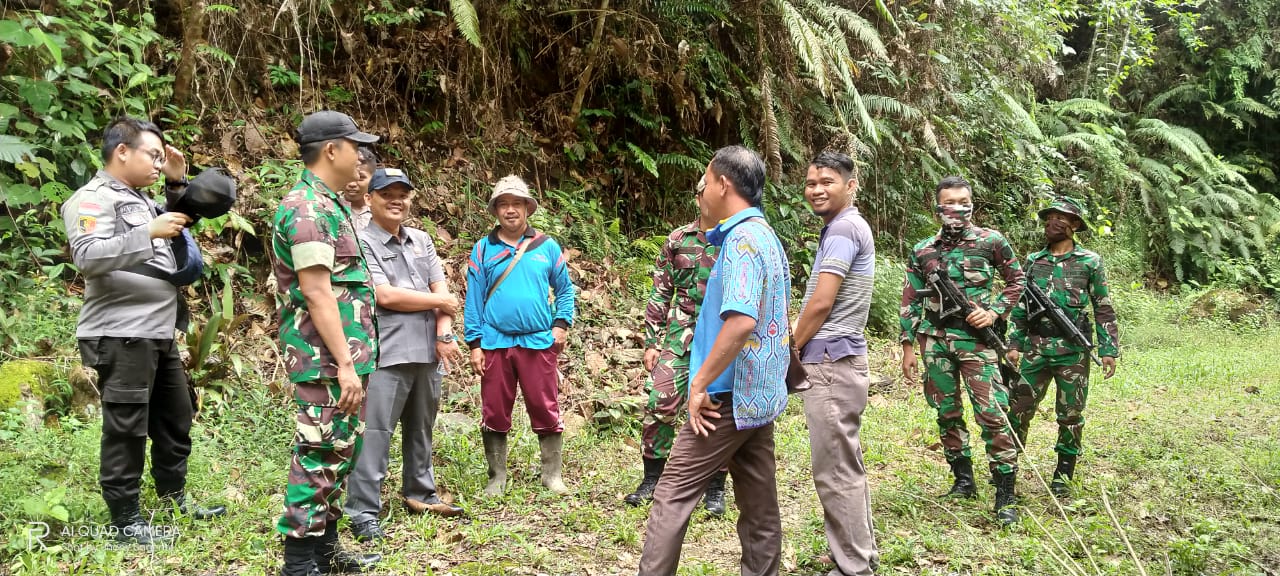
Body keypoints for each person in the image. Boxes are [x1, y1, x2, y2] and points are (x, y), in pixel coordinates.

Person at [61, 116, 226, 545]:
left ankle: (174, 499)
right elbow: (88, 256)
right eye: (153, 156)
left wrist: (176, 185)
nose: (158, 163)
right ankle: (126, 519)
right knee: (127, 425)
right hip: (120, 332)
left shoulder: (141, 199)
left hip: (157, 332)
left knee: (175, 417)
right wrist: (145, 232)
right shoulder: (94, 198)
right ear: (121, 151)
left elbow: (177, 238)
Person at [638, 146, 791, 576]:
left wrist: (700, 383)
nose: (700, 192)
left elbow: (741, 321)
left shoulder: (742, 241)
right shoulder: (766, 236)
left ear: (724, 184)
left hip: (723, 397)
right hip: (760, 395)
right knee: (759, 503)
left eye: (704, 183)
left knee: (672, 495)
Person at [270, 110, 382, 575]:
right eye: (355, 145)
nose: (361, 156)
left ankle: (325, 549)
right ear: (331, 150)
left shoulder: (330, 203)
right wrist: (345, 364)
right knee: (318, 454)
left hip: (343, 358)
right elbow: (317, 292)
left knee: (341, 452)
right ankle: (298, 563)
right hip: (326, 361)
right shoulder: (307, 209)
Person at [345, 168, 465, 543]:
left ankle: (420, 493)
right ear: (370, 199)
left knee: (421, 430)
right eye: (386, 193)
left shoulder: (422, 240)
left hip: (429, 351)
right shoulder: (360, 242)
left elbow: (443, 291)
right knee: (375, 434)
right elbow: (386, 295)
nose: (396, 200)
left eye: (403, 193)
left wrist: (444, 331)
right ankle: (363, 511)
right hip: (387, 352)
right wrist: (441, 301)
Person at [899, 175, 1026, 526]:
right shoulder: (924, 249)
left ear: (973, 203)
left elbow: (1018, 280)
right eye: (949, 203)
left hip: (978, 342)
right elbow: (910, 296)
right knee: (946, 412)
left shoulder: (992, 241)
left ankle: (1005, 494)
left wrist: (995, 310)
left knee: (992, 413)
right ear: (937, 207)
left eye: (962, 202)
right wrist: (908, 344)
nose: (956, 208)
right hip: (936, 341)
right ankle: (963, 481)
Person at [791, 151, 878, 574]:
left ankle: (854, 566)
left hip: (830, 360)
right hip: (843, 356)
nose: (817, 189)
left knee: (835, 470)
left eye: (827, 181)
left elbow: (822, 302)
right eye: (811, 183)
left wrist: (790, 346)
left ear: (850, 184)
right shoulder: (845, 227)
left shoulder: (842, 229)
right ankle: (858, 552)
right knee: (846, 463)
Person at [464, 175, 576, 496]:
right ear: (495, 210)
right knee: (495, 408)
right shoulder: (484, 249)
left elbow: (565, 290)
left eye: (516, 204)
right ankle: (497, 476)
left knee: (545, 405)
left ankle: (551, 476)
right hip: (494, 342)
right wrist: (474, 343)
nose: (510, 210)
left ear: (528, 208)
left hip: (538, 341)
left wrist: (561, 324)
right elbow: (473, 299)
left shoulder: (546, 246)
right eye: (503, 204)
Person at [624, 176, 729, 516]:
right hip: (680, 335)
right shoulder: (677, 240)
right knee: (660, 400)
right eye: (701, 194)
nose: (706, 199)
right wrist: (652, 341)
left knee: (716, 407)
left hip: (721, 336)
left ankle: (715, 488)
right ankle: (652, 478)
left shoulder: (735, 238)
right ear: (698, 198)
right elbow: (660, 292)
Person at [1006, 197, 1120, 497]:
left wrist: (1109, 349)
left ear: (1075, 225)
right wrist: (1014, 343)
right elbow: (1022, 304)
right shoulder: (1034, 260)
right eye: (1050, 217)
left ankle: (1063, 475)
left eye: (1062, 217)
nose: (1053, 223)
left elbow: (1103, 307)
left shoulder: (1090, 262)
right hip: (1035, 349)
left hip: (1073, 352)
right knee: (1018, 409)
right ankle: (1007, 469)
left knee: (1070, 414)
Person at [343, 147, 376, 231]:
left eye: (360, 178)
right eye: (347, 176)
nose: (352, 184)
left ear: (373, 178)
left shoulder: (381, 210)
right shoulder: (331, 207)